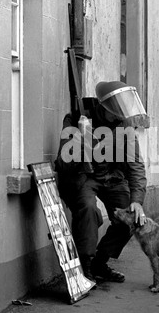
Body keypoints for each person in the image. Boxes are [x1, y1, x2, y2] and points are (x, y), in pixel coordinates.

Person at [55, 81, 148, 284]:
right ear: (103, 107)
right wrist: (82, 136)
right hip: (85, 177)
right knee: (89, 210)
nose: (118, 117)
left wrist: (137, 199)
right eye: (115, 112)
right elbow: (63, 164)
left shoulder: (124, 125)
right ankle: (85, 268)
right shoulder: (76, 118)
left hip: (112, 177)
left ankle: (100, 262)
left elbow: (136, 166)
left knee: (131, 217)